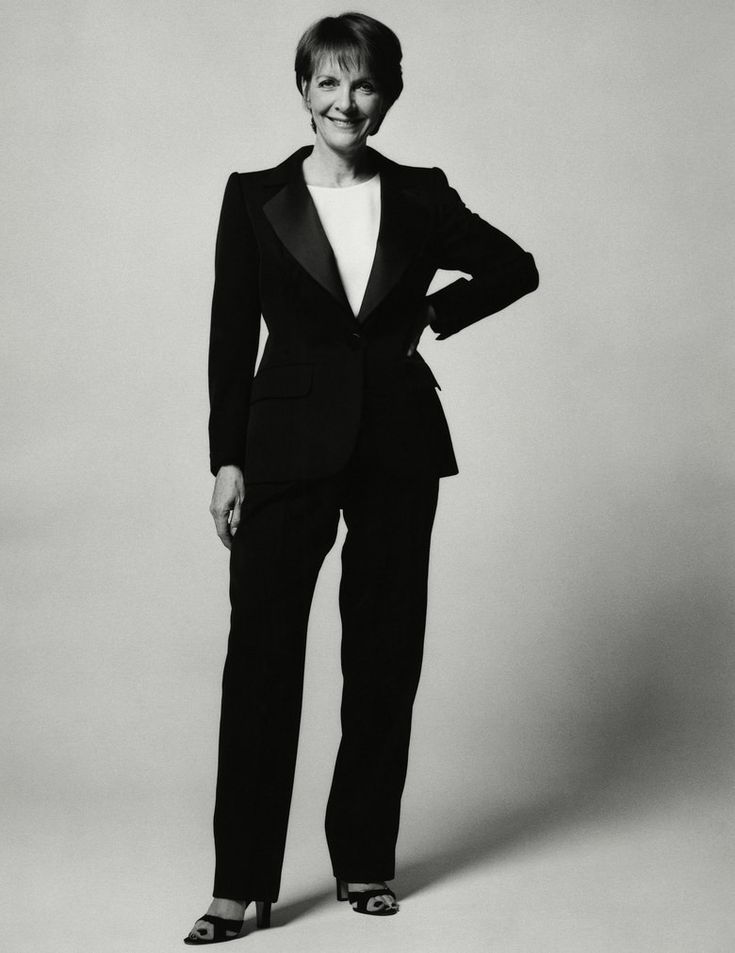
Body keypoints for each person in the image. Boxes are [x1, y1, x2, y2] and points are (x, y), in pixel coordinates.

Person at [184, 11, 539, 944]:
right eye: (329, 83)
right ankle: (238, 883)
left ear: (389, 96)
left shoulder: (421, 193)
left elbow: (515, 267)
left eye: (365, 83)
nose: (346, 101)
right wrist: (226, 457)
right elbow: (229, 335)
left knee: (383, 658)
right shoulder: (253, 196)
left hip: (396, 446)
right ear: (304, 92)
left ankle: (365, 861)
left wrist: (434, 312)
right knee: (260, 664)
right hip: (281, 450)